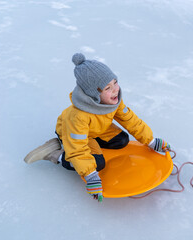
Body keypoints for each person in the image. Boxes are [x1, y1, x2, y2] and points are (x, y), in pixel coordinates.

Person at [24, 53, 171, 202]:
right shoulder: (79, 116)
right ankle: (55, 153)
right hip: (73, 134)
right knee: (98, 164)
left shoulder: (114, 101)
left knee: (122, 140)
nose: (115, 90)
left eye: (115, 82)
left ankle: (91, 149)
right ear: (94, 94)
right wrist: (91, 176)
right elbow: (78, 148)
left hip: (98, 129)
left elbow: (131, 120)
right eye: (108, 88)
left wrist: (151, 141)